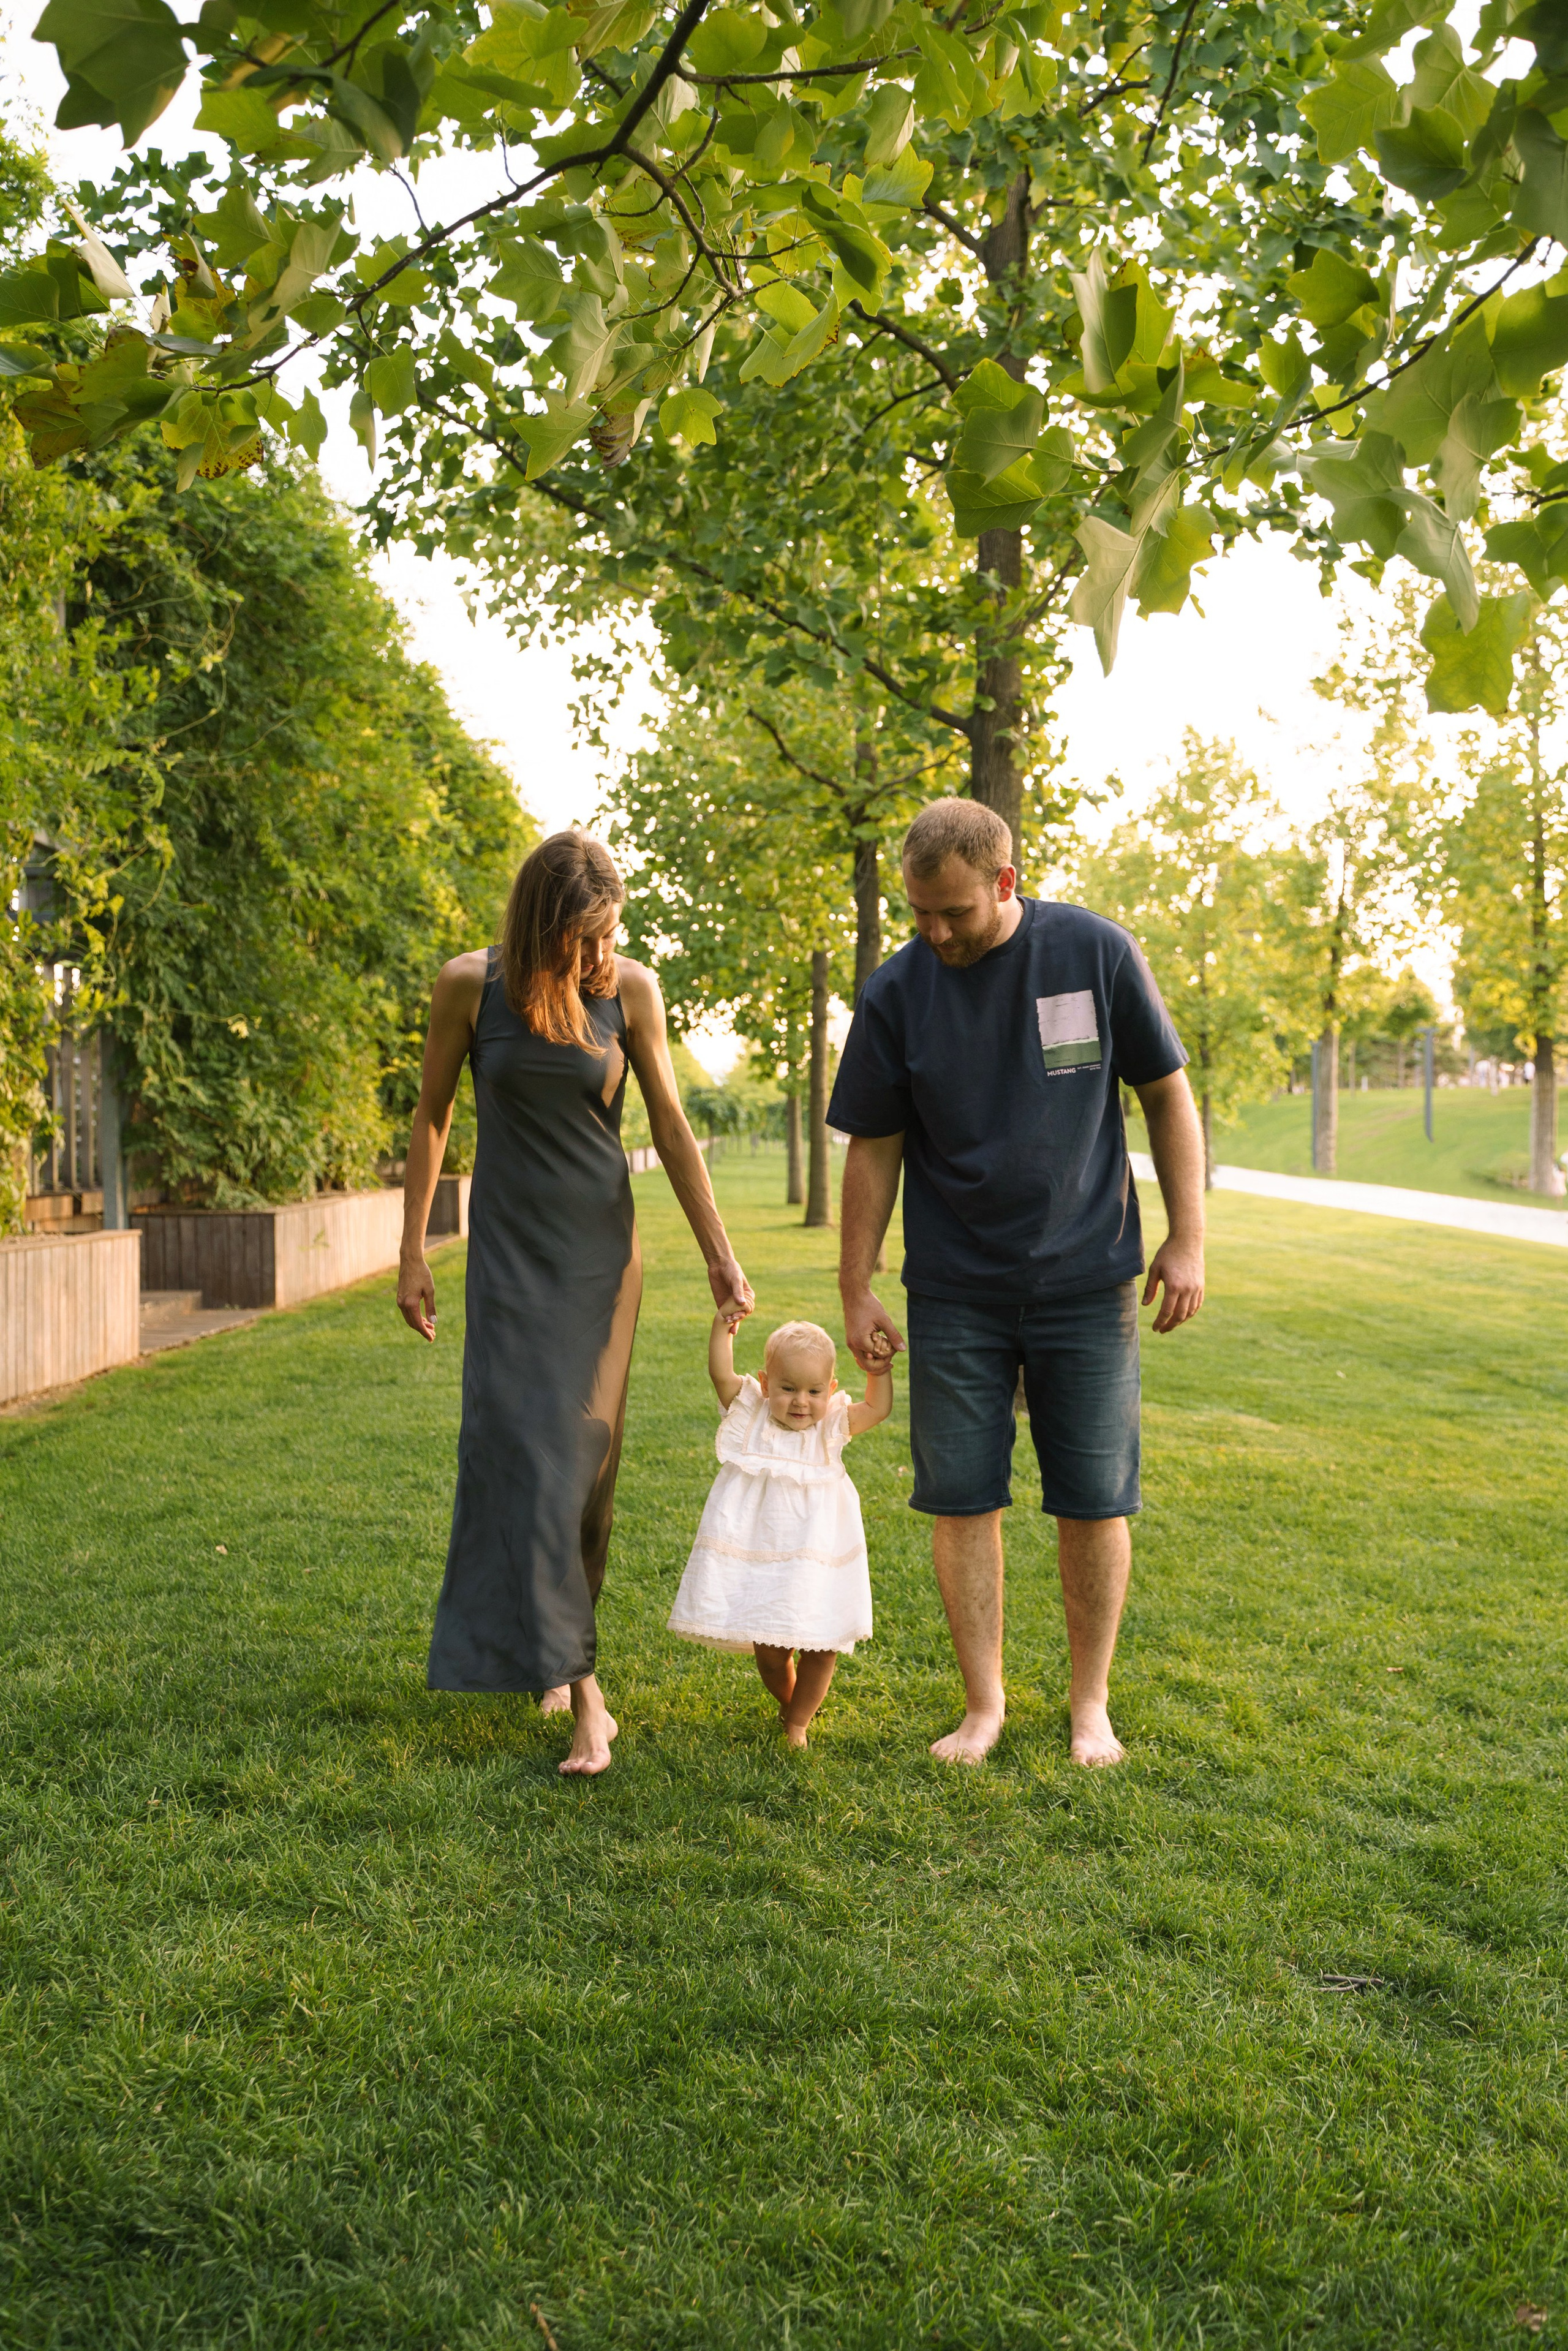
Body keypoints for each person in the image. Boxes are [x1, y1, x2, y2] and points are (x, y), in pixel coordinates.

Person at [827, 798, 1205, 1770]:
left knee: (1094, 1497)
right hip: (954, 1286)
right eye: (920, 912)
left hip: (1089, 1276)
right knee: (962, 1496)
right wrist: (857, 1282)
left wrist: (1187, 1239)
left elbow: (1167, 1090)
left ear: (1005, 882)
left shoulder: (1094, 951)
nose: (934, 931)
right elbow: (874, 1142)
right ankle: (984, 1705)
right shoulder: (897, 991)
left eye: (953, 912)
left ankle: (1090, 1707)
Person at [397, 831, 752, 1778]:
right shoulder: (469, 986)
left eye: (612, 933)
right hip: (510, 1255)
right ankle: (587, 1696)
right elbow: (431, 1115)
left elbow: (671, 1123)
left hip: (603, 1259)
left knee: (584, 1470)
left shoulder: (630, 989)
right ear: (543, 924)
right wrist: (412, 1250)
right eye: (587, 937)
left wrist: (719, 1252)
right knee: (525, 1453)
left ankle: (558, 1650)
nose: (603, 954)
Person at [666, 1315, 892, 1748]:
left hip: (816, 1560)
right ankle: (790, 1702)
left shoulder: (832, 1426)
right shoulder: (750, 1413)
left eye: (812, 1391)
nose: (800, 1402)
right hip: (761, 1562)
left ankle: (798, 1724)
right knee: (770, 1652)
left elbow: (878, 1409)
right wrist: (722, 1327)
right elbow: (720, 1372)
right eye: (787, 1389)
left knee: (821, 1646)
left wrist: (878, 1372)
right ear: (766, 1383)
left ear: (830, 1389)